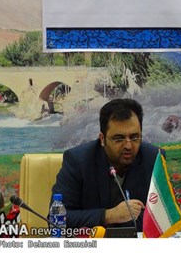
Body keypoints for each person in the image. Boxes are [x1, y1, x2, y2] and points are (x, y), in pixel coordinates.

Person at [50, 98, 163, 232]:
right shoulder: (78, 161)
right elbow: (56, 220)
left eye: (134, 137)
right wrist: (108, 216)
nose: (128, 146)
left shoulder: (154, 159)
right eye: (118, 139)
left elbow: (162, 216)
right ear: (102, 139)